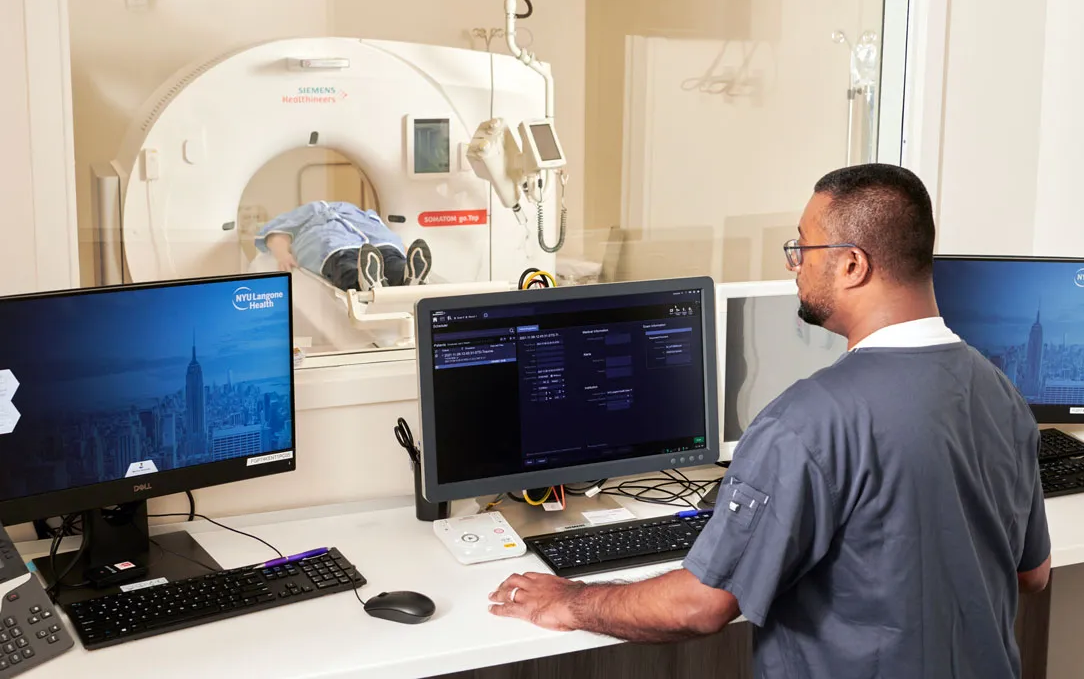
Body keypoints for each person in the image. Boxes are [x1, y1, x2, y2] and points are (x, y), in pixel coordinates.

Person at [487, 164, 1051, 679]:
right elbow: (1033, 574)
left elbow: (699, 606)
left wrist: (570, 600)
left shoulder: (807, 423)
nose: (794, 264)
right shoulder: (1001, 393)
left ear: (853, 265)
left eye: (803, 247)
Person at [254, 201, 432, 292]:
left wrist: (404, 249)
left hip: (373, 239)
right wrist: (282, 254)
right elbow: (277, 234)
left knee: (389, 254)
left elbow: (380, 227)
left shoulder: (357, 212)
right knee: (346, 261)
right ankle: (372, 280)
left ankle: (404, 275)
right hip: (333, 243)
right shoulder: (307, 214)